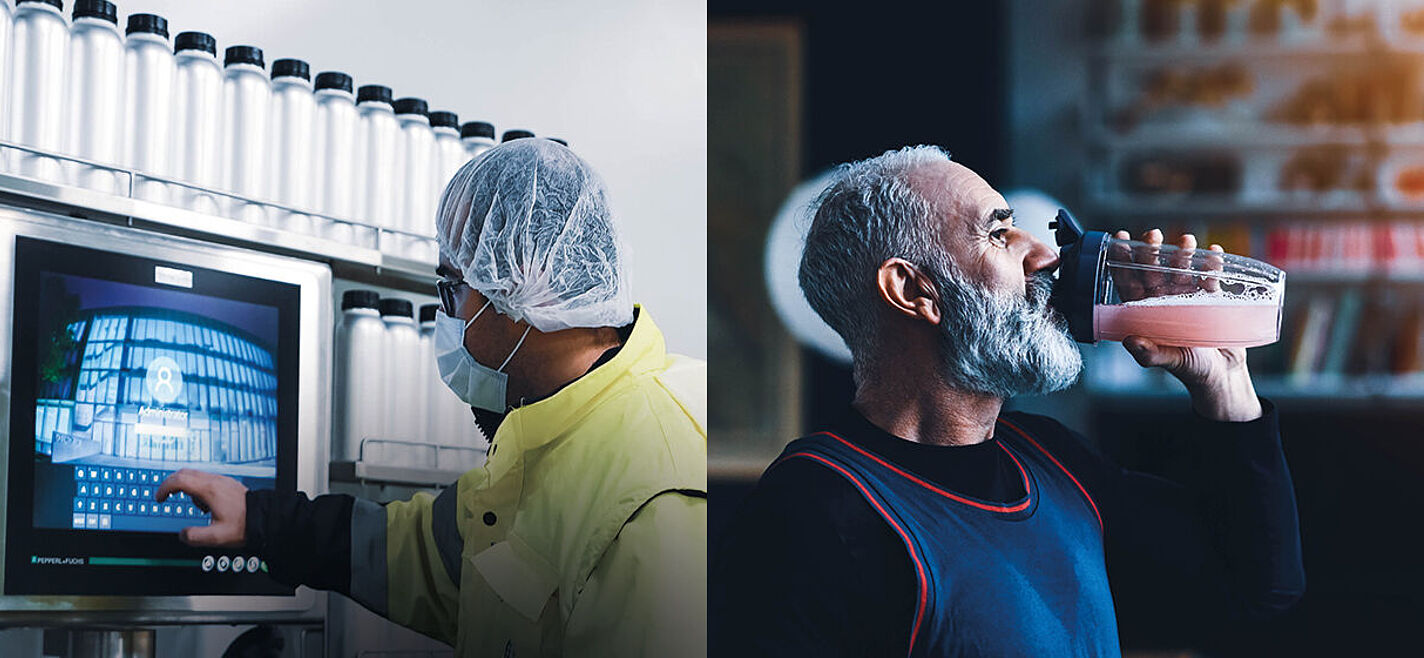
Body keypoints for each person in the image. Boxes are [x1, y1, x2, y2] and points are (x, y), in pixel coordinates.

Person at [710, 145, 1303, 656]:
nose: (1044, 256)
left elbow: (1254, 587)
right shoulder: (815, 511)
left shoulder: (1053, 462)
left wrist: (1222, 381)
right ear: (914, 290)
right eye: (998, 233)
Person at [158, 139, 707, 657]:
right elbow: (423, 554)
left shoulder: (650, 504)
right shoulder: (552, 435)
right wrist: (261, 519)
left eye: (453, 289)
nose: (447, 317)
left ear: (520, 288)